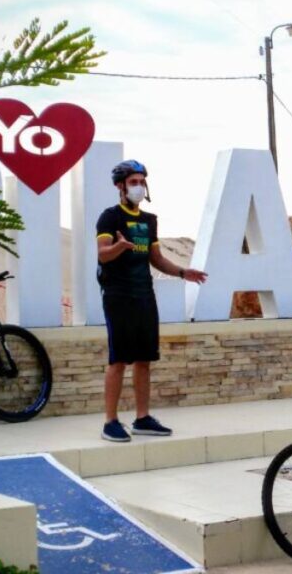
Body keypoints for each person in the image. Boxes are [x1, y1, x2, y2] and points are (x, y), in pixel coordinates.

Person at [96, 160, 207, 442]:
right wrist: (119, 247)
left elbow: (156, 258)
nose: (139, 186)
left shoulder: (149, 220)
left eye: (142, 181)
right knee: (119, 359)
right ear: (120, 186)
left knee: (145, 359)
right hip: (118, 295)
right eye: (133, 182)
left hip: (144, 294)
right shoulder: (110, 217)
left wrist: (183, 272)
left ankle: (142, 418)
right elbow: (102, 255)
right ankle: (110, 421)